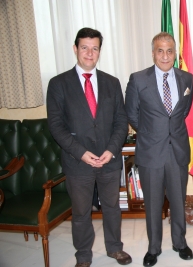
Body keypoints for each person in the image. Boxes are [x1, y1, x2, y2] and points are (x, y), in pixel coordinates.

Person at [46, 28, 131, 267]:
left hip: (108, 160)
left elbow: (120, 122)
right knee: (81, 212)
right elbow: (56, 125)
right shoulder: (58, 84)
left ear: (99, 51)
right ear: (75, 49)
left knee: (112, 207)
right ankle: (83, 254)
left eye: (94, 48)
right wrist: (81, 153)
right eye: (84, 47)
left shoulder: (112, 83)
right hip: (77, 162)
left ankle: (115, 248)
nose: (89, 53)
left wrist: (111, 150)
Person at [125, 32, 193, 267]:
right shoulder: (137, 79)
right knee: (153, 204)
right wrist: (152, 132)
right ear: (153, 52)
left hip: (177, 150)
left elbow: (182, 112)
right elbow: (132, 114)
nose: (165, 55)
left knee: (178, 200)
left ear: (175, 53)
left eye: (170, 50)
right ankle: (153, 248)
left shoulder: (187, 79)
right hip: (151, 151)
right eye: (160, 50)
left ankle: (180, 243)